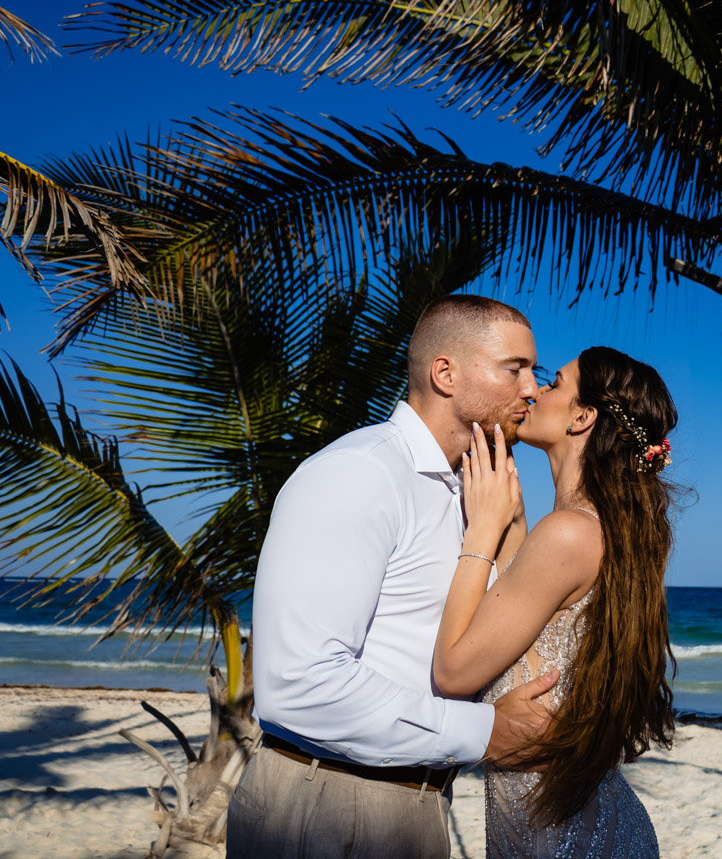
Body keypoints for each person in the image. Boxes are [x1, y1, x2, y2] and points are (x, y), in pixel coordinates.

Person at [227, 295, 559, 859]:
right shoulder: (362, 472)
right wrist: (486, 732)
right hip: (327, 801)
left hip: (417, 806)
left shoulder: (475, 493)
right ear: (445, 374)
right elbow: (299, 685)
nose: (531, 389)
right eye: (515, 368)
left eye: (534, 371)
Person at [433, 346, 677, 858]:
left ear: (583, 416)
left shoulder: (568, 533)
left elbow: (454, 671)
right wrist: (510, 517)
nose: (534, 391)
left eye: (555, 383)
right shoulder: (593, 530)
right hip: (569, 828)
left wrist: (482, 528)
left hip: (568, 840)